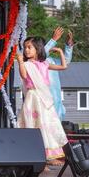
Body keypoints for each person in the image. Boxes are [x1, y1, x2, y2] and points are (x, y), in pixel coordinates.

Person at [17, 36, 68, 166]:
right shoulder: (27, 64)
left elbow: (63, 67)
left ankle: (48, 157)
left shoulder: (44, 64)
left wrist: (61, 52)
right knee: (34, 124)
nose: (27, 50)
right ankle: (37, 157)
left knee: (47, 124)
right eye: (25, 47)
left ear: (38, 49)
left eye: (30, 47)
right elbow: (23, 75)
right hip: (33, 98)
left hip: (44, 98)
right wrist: (20, 62)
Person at [44, 27, 74, 121]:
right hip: (43, 103)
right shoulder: (37, 62)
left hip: (55, 103)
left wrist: (68, 46)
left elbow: (65, 62)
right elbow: (41, 55)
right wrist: (53, 40)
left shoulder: (51, 61)